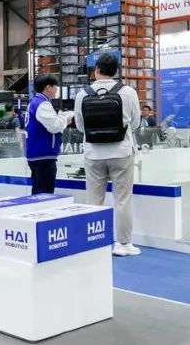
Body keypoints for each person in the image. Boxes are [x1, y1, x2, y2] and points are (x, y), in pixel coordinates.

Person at [75, 53, 142, 257]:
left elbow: (80, 126)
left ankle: (94, 243)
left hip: (93, 153)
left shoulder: (82, 94)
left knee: (94, 200)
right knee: (122, 200)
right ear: (116, 71)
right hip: (121, 152)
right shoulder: (128, 92)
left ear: (96, 70)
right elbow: (136, 123)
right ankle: (123, 244)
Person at [25, 74, 72, 194]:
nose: (56, 89)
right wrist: (65, 119)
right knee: (44, 194)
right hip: (43, 154)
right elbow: (54, 126)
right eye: (55, 86)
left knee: (39, 191)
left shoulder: (36, 102)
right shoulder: (42, 104)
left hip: (39, 154)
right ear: (48, 87)